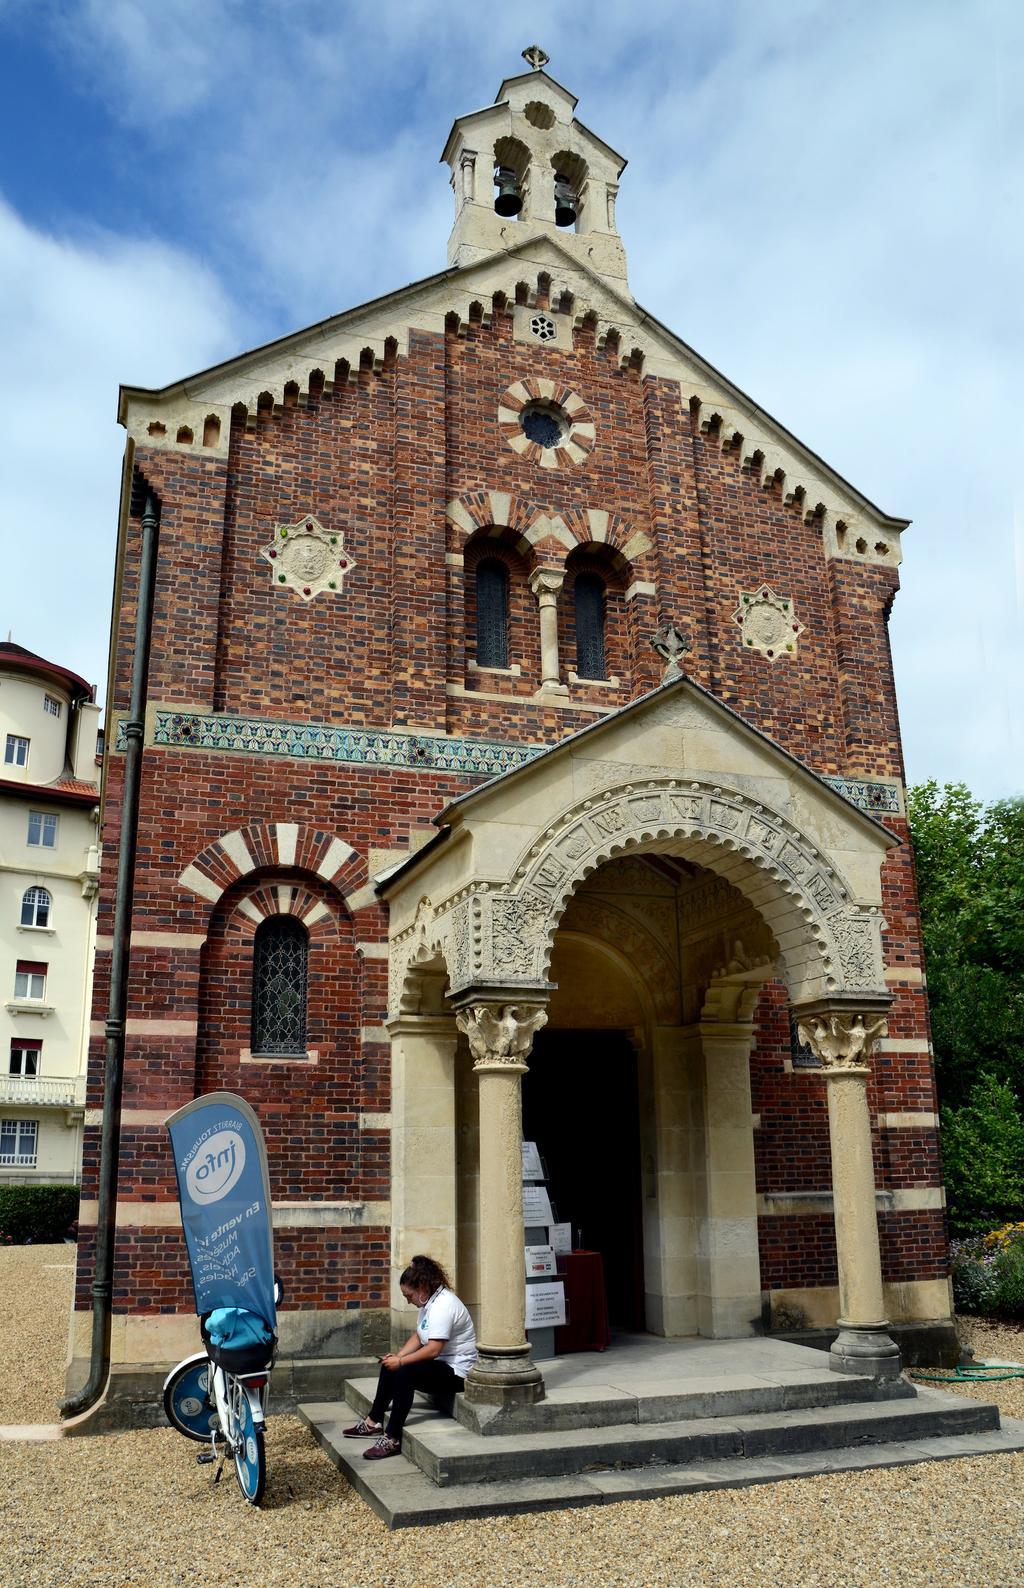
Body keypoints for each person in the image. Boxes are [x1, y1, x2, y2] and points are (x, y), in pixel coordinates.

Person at [343, 1253, 477, 1460]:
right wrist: (397, 1356)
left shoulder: (443, 1305)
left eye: (409, 1296)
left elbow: (433, 1349)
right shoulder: (429, 1301)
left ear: (422, 1288)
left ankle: (392, 1438)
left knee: (404, 1372)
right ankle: (373, 1422)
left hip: (457, 1372)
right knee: (390, 1365)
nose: (407, 1301)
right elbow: (419, 1335)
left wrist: (402, 1362)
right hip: (441, 1364)